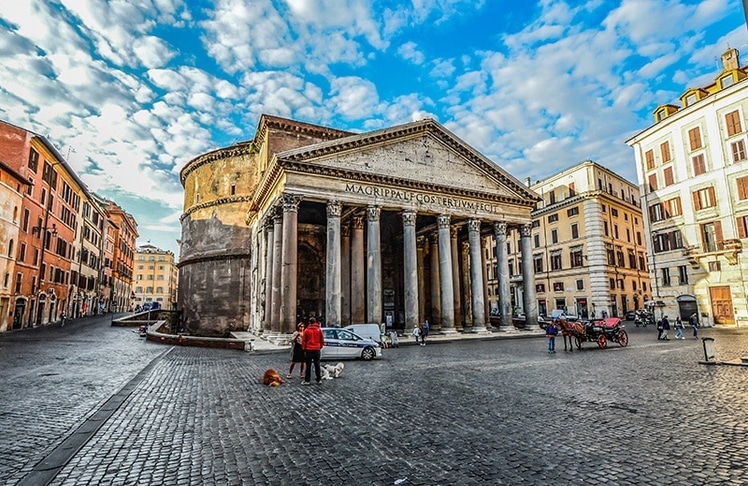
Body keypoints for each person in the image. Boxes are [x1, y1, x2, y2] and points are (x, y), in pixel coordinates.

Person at [301, 317, 324, 385]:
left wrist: (304, 348)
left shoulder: (307, 330)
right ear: (315, 322)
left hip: (309, 349)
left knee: (308, 366)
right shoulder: (318, 330)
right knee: (317, 365)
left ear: (309, 322)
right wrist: (320, 346)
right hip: (316, 349)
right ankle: (318, 379)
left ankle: (307, 380)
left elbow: (303, 340)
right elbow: (322, 339)